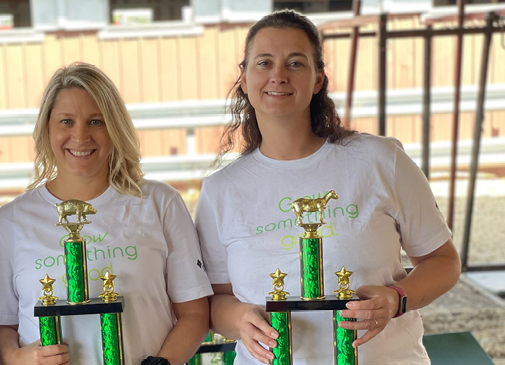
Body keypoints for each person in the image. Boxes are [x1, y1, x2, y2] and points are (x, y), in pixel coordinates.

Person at [195, 9, 461, 365]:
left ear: (318, 79)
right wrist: (240, 319)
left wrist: (397, 298)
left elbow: (443, 262)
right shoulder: (220, 190)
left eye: (295, 63)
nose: (278, 76)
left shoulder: (380, 160)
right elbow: (216, 301)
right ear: (243, 78)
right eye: (264, 63)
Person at [0, 62, 212, 365]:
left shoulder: (160, 203)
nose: (80, 136)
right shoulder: (10, 221)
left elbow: (194, 313)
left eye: (96, 122)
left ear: (115, 127)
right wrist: (16, 358)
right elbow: (1, 322)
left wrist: (163, 363)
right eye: (66, 122)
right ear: (46, 129)